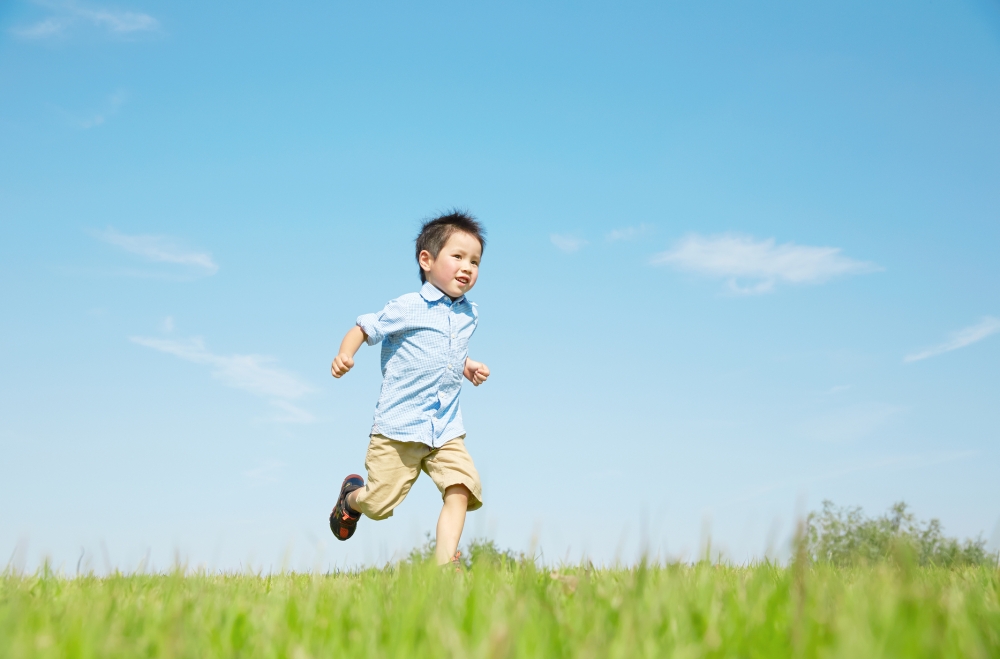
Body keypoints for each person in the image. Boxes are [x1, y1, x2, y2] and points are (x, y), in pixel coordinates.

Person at [328, 211, 490, 567]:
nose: (468, 267)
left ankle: (444, 565)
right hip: (399, 428)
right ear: (427, 260)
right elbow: (363, 327)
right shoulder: (407, 307)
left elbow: (446, 351)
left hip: (445, 428)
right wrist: (345, 353)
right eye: (458, 257)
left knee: (461, 486)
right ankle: (351, 498)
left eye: (475, 261)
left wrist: (467, 366)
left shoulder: (469, 314)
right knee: (378, 504)